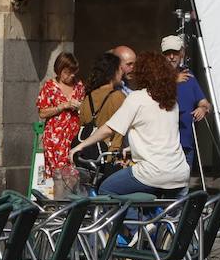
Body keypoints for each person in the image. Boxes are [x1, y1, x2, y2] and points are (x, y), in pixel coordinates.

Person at [70, 52, 190, 198]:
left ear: (142, 73)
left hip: (152, 173)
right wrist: (131, 147)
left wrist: (80, 146)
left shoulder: (137, 98)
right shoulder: (171, 102)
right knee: (170, 216)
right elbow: (159, 136)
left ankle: (131, 221)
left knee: (107, 189)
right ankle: (149, 220)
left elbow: (109, 129)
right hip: (180, 173)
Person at [36, 52, 85, 199]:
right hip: (56, 138)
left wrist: (79, 107)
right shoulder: (50, 87)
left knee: (74, 173)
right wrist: (63, 106)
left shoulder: (79, 86)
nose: (70, 76)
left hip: (74, 136)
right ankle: (59, 207)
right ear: (59, 70)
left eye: (72, 73)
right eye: (66, 72)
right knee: (60, 174)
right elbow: (42, 112)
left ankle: (71, 205)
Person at [162, 35, 211, 168]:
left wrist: (203, 108)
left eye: (175, 52)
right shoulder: (156, 77)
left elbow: (205, 103)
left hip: (185, 144)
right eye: (167, 53)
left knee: (183, 186)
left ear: (182, 53)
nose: (172, 56)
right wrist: (172, 81)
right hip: (163, 146)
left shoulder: (189, 76)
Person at [79, 52, 126, 154]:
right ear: (112, 72)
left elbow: (81, 124)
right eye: (119, 68)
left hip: (88, 153)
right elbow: (120, 132)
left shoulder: (87, 97)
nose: (122, 72)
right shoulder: (118, 96)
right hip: (108, 154)